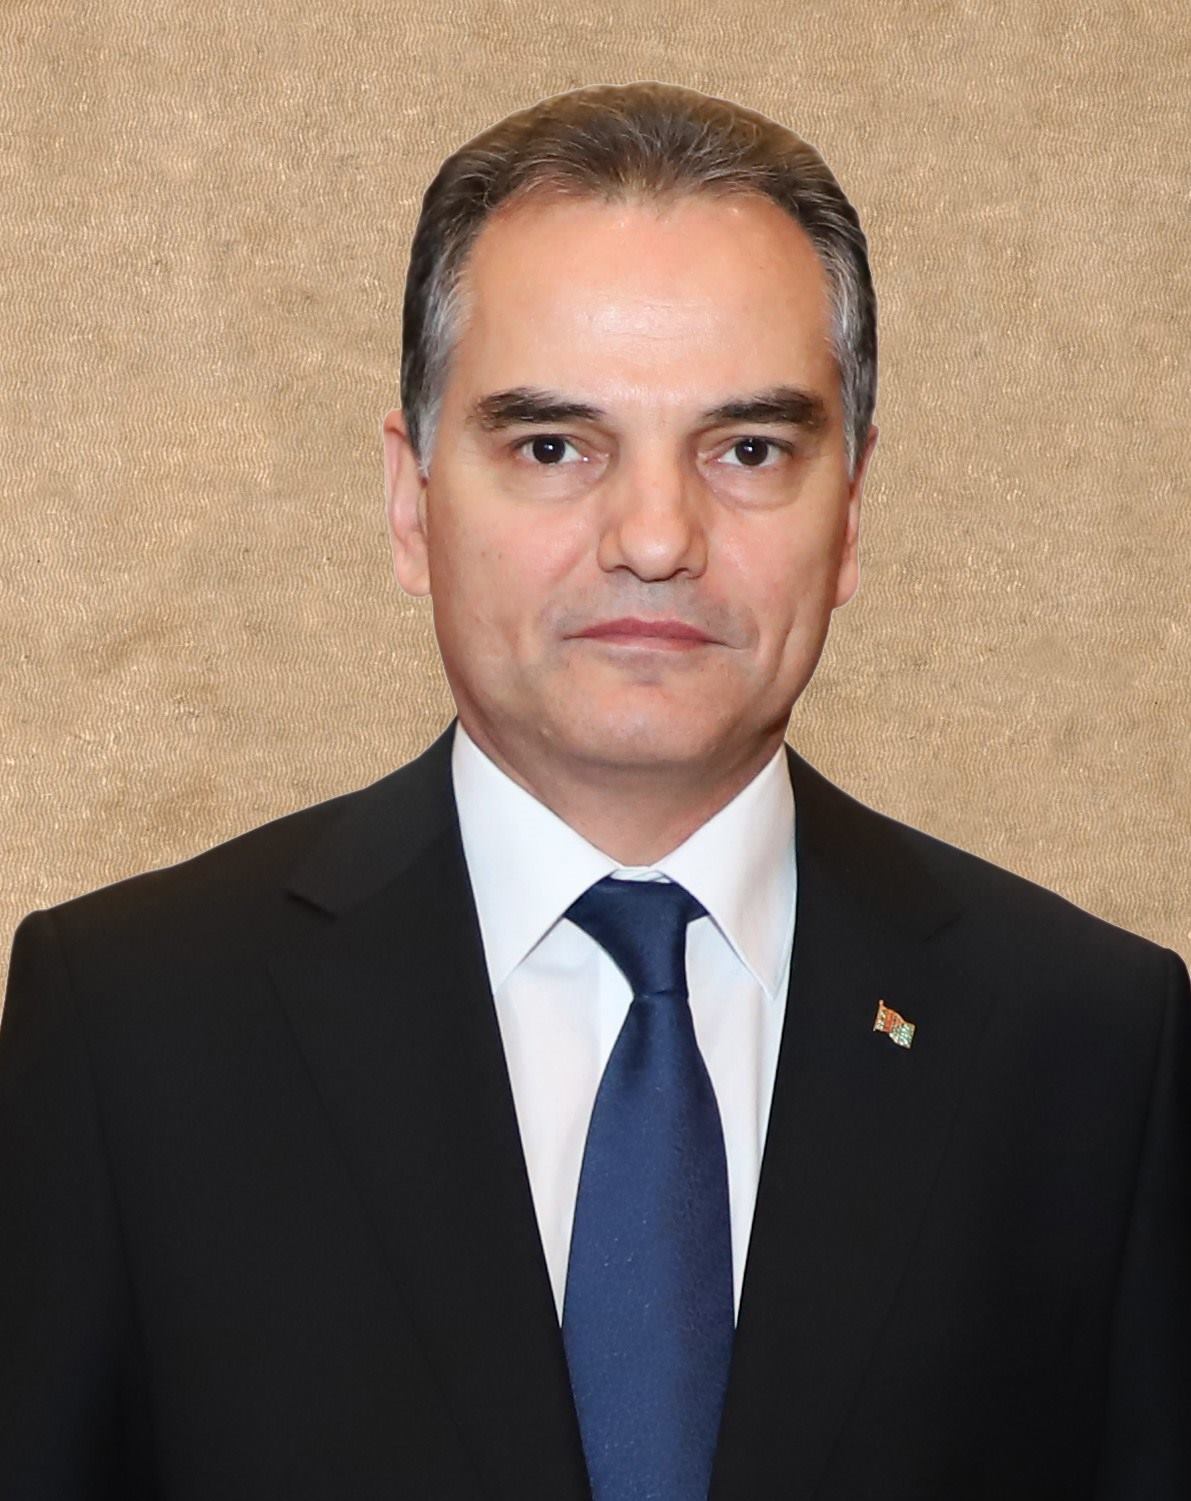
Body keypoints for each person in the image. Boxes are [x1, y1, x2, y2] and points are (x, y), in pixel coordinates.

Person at [1, 80, 1187, 1501]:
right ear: (411, 501)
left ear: (852, 510)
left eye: (748, 451)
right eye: (554, 447)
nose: (656, 537)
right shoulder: (130, 1027)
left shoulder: (1090, 1046)